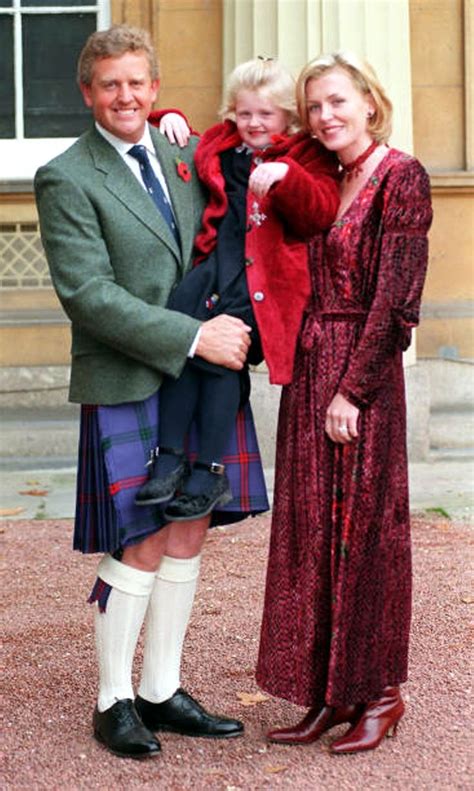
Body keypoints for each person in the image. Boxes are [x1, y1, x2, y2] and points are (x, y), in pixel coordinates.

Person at [34, 25, 268, 760]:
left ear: (156, 89)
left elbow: (251, 163)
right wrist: (194, 336)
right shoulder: (66, 176)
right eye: (110, 85)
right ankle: (113, 700)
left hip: (205, 378)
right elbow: (86, 294)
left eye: (137, 83)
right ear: (87, 94)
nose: (125, 96)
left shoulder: (182, 150)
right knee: (138, 535)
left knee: (190, 524)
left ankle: (162, 688)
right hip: (133, 370)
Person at [255, 52, 433, 754]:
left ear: (367, 101)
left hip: (362, 377)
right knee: (311, 538)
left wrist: (351, 392)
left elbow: (396, 299)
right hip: (307, 367)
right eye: (315, 106)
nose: (325, 116)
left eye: (337, 102)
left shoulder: (402, 176)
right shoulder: (322, 177)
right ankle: (329, 693)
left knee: (367, 538)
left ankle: (381, 694)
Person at [134, 57, 340, 522]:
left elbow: (320, 210)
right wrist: (168, 118)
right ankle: (168, 458)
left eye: (265, 115)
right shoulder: (224, 144)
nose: (253, 124)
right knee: (186, 340)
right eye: (244, 113)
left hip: (263, 285)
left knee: (225, 354)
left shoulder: (306, 157)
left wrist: (289, 179)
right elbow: (164, 126)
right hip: (215, 268)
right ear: (232, 113)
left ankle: (208, 470)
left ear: (288, 116)